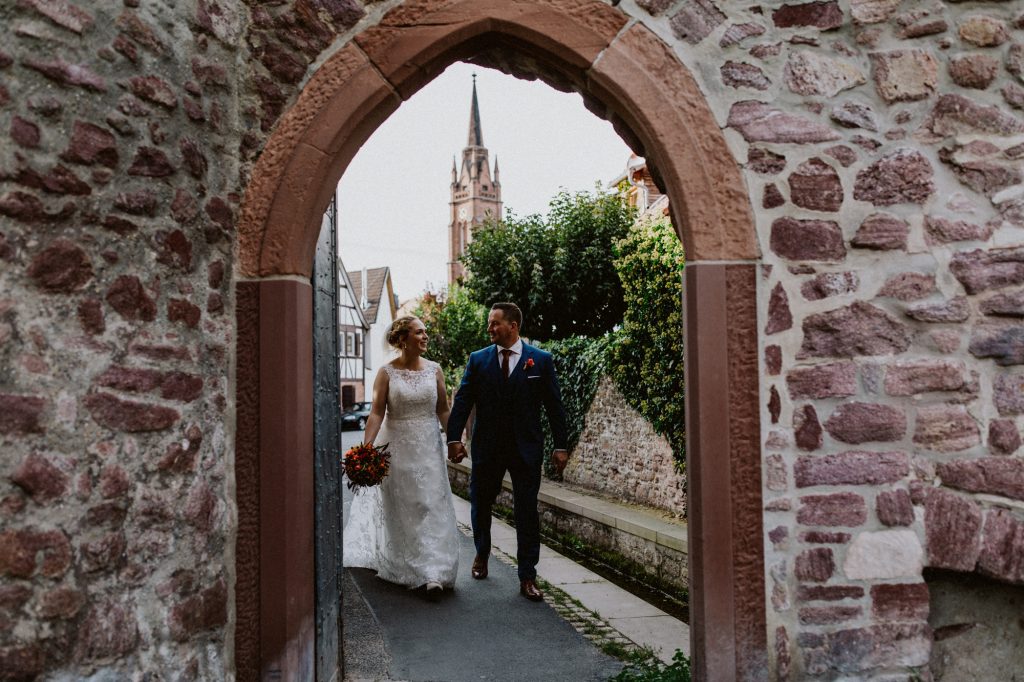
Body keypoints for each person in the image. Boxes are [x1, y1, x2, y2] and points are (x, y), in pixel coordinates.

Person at [446, 302, 569, 602]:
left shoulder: (540, 361)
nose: (489, 328)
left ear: (513, 326)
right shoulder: (478, 360)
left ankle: (527, 576)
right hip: (487, 447)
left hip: (526, 449)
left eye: (495, 323)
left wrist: (561, 445)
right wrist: (454, 438)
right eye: (489, 323)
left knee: (526, 511)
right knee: (480, 504)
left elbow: (555, 407)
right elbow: (462, 401)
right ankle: (482, 553)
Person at [343, 316, 459, 598]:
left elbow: (443, 409)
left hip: (429, 449)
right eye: (419, 332)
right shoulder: (386, 373)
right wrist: (367, 447)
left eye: (425, 332)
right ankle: (411, 565)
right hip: (396, 449)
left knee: (430, 504)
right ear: (403, 339)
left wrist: (454, 440)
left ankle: (434, 570)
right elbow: (376, 413)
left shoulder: (435, 370)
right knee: (405, 508)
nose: (425, 337)